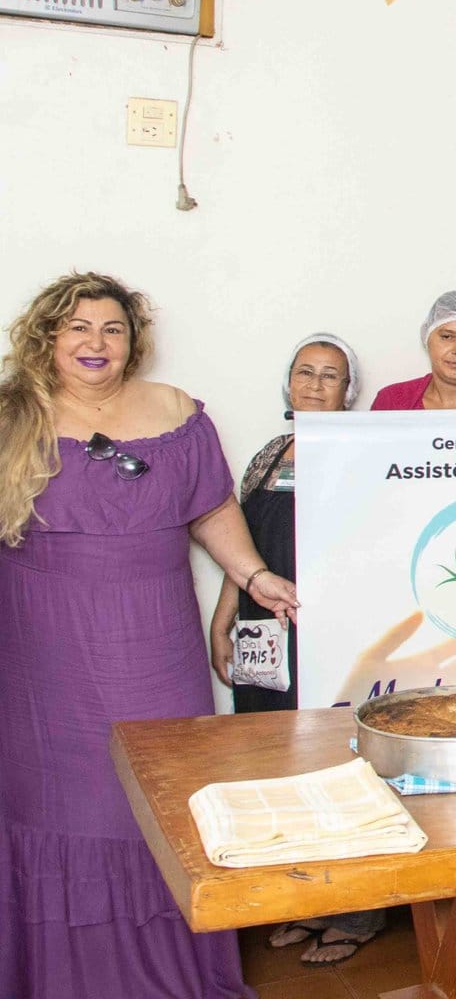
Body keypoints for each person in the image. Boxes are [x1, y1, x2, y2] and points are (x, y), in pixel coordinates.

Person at [0, 272, 299, 999]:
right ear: (48, 336)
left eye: (111, 329)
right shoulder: (13, 417)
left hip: (158, 642)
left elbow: (211, 508)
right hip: (45, 649)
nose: (94, 343)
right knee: (62, 803)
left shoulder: (174, 412)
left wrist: (255, 576)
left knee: (163, 797)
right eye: (77, 328)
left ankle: (177, 973)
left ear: (134, 340)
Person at [209, 333, 389, 963]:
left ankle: (358, 910)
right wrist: (225, 616)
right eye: (305, 373)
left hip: (333, 641)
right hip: (266, 639)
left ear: (351, 391)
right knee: (275, 767)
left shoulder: (365, 453)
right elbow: (239, 546)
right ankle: (306, 902)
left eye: (331, 376)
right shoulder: (268, 455)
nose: (315, 385)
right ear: (287, 383)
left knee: (338, 768)